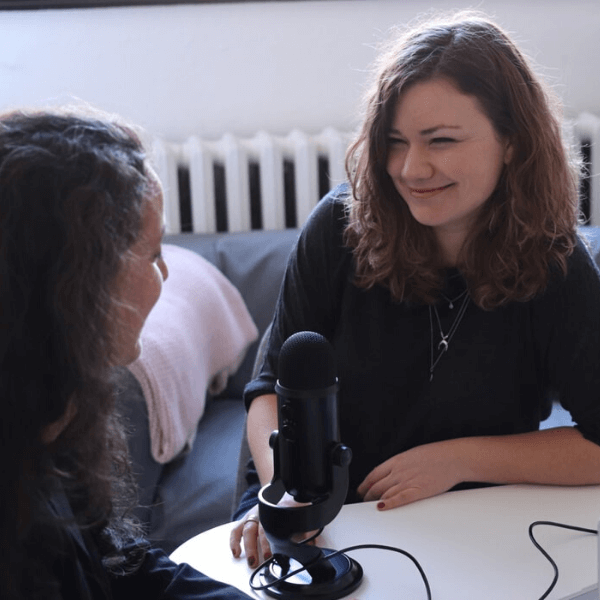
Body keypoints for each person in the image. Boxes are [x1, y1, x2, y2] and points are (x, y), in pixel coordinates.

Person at [230, 10, 600, 567]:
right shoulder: (338, 228)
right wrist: (282, 496)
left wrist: (458, 460)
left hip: (468, 529)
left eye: (441, 140)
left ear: (514, 146)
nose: (411, 168)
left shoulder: (557, 264)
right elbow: (267, 391)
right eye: (395, 142)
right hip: (318, 519)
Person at [0, 109, 253, 599]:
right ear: (80, 281)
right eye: (153, 253)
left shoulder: (57, 415)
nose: (165, 274)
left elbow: (119, 565)